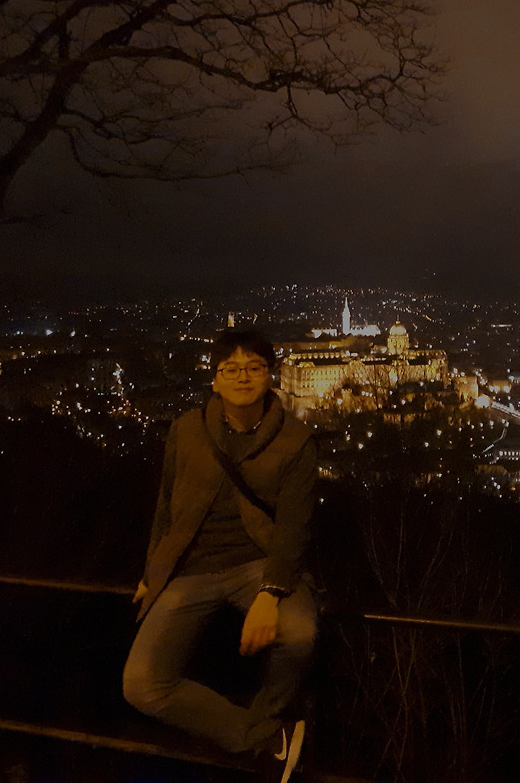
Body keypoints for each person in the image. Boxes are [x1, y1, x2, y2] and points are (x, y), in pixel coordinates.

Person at [123, 327, 318, 783]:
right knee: (142, 685)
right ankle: (267, 737)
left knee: (299, 633)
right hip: (192, 567)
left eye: (254, 367)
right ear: (215, 378)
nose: (242, 376)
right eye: (231, 368)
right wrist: (153, 571)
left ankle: (266, 735)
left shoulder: (296, 440)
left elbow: (294, 527)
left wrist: (270, 593)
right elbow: (166, 507)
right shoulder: (186, 430)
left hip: (259, 563)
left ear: (270, 375)